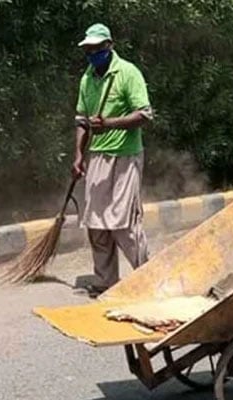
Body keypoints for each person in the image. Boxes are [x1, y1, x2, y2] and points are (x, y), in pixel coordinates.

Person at [71, 23, 154, 298]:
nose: (93, 54)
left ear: (109, 45)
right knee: (95, 222)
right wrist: (79, 156)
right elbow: (82, 121)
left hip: (126, 155)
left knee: (123, 223)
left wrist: (109, 124)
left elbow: (144, 114)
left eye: (97, 48)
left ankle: (148, 277)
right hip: (98, 155)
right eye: (88, 50)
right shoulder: (87, 79)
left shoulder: (128, 73)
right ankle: (106, 280)